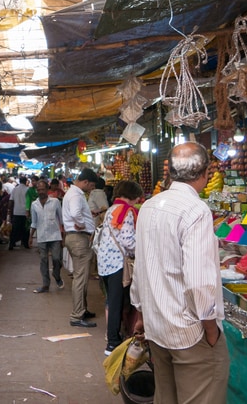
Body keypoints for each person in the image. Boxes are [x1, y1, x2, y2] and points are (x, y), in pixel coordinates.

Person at [131, 142, 229, 404]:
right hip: (190, 332)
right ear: (206, 172)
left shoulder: (149, 206)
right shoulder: (196, 211)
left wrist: (140, 313)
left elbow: (140, 266)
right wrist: (211, 331)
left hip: (157, 327)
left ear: (171, 172)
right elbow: (199, 281)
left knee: (166, 398)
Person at [97, 180, 143, 356]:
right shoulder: (127, 212)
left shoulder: (111, 209)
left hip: (104, 262)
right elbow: (128, 240)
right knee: (116, 304)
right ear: (133, 196)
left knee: (112, 302)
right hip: (117, 263)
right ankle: (112, 343)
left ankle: (113, 337)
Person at [62, 168, 99, 327]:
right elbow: (76, 213)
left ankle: (82, 309)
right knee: (80, 278)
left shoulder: (72, 193)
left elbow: (78, 212)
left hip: (76, 238)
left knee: (81, 277)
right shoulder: (76, 194)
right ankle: (77, 316)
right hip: (79, 239)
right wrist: (82, 224)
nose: (91, 189)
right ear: (85, 182)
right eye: (91, 186)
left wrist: (86, 215)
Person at [29, 179, 64, 293]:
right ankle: (45, 284)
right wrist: (30, 237)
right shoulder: (34, 205)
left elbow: (61, 219)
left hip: (55, 236)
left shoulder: (55, 202)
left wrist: (64, 234)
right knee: (43, 260)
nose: (40, 192)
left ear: (47, 189)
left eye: (43, 189)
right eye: (38, 190)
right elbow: (34, 222)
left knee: (56, 258)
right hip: (42, 236)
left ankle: (57, 275)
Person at [8, 176, 30, 250]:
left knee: (15, 229)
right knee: (25, 229)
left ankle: (11, 244)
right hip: (25, 212)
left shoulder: (15, 189)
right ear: (26, 181)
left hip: (16, 212)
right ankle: (25, 244)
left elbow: (11, 201)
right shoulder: (28, 190)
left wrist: (9, 211)